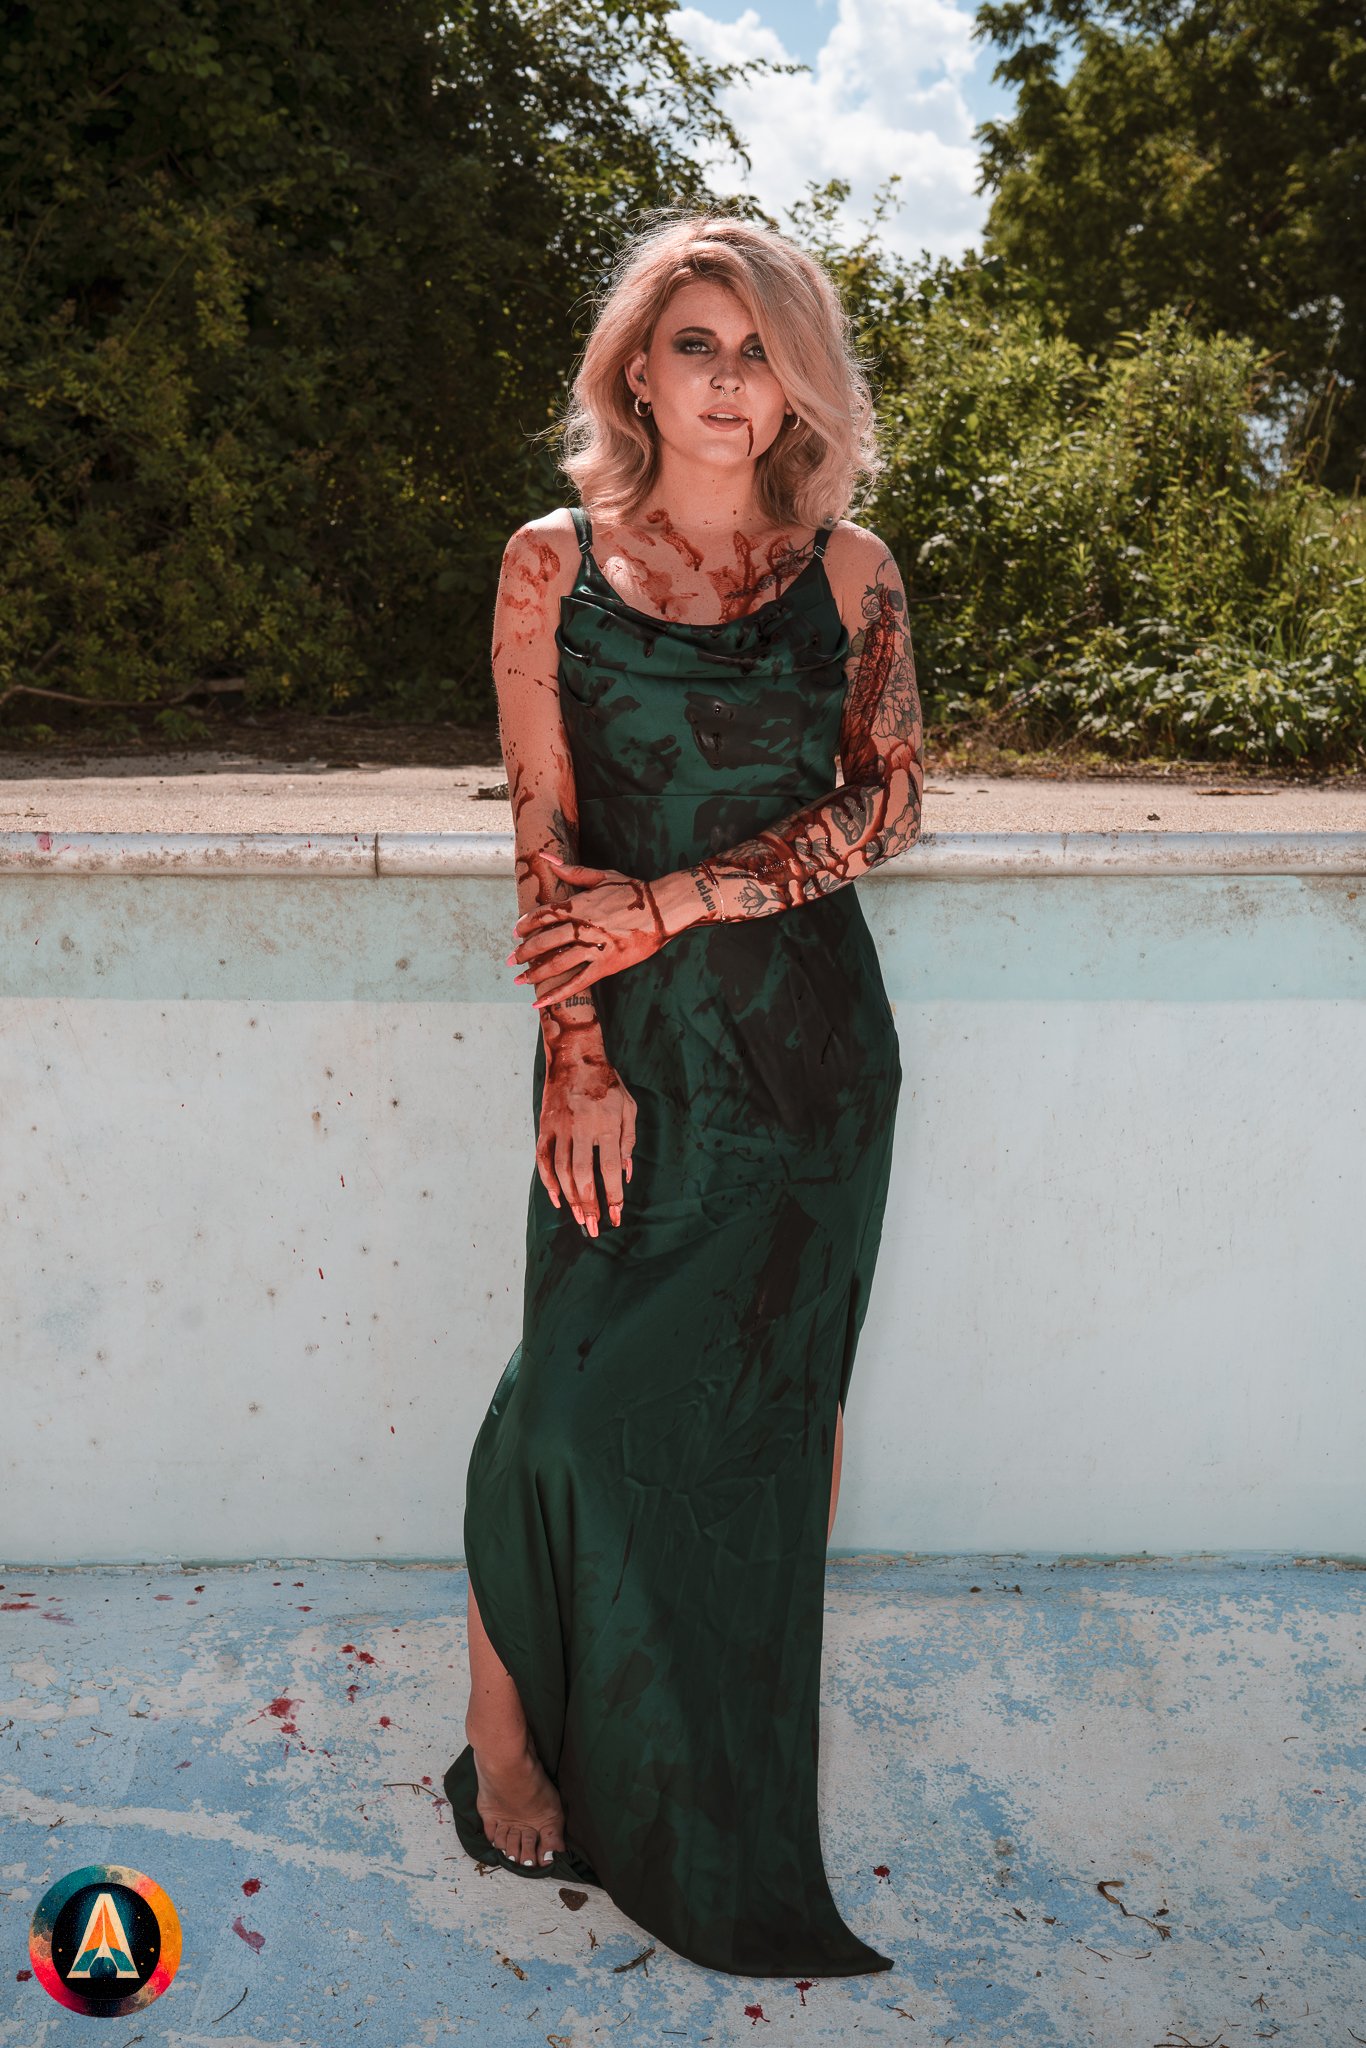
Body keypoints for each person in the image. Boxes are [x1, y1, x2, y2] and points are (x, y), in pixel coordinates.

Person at [442, 207, 924, 1978]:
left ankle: (714, 1747)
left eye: (757, 347)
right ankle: (500, 1733)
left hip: (808, 1053)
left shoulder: (852, 568)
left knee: (769, 1418)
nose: (729, 383)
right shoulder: (549, 564)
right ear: (635, 370)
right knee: (561, 1408)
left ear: (798, 373)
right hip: (630, 1051)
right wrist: (577, 1054)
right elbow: (542, 843)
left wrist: (686, 901)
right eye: (693, 346)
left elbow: (886, 807)